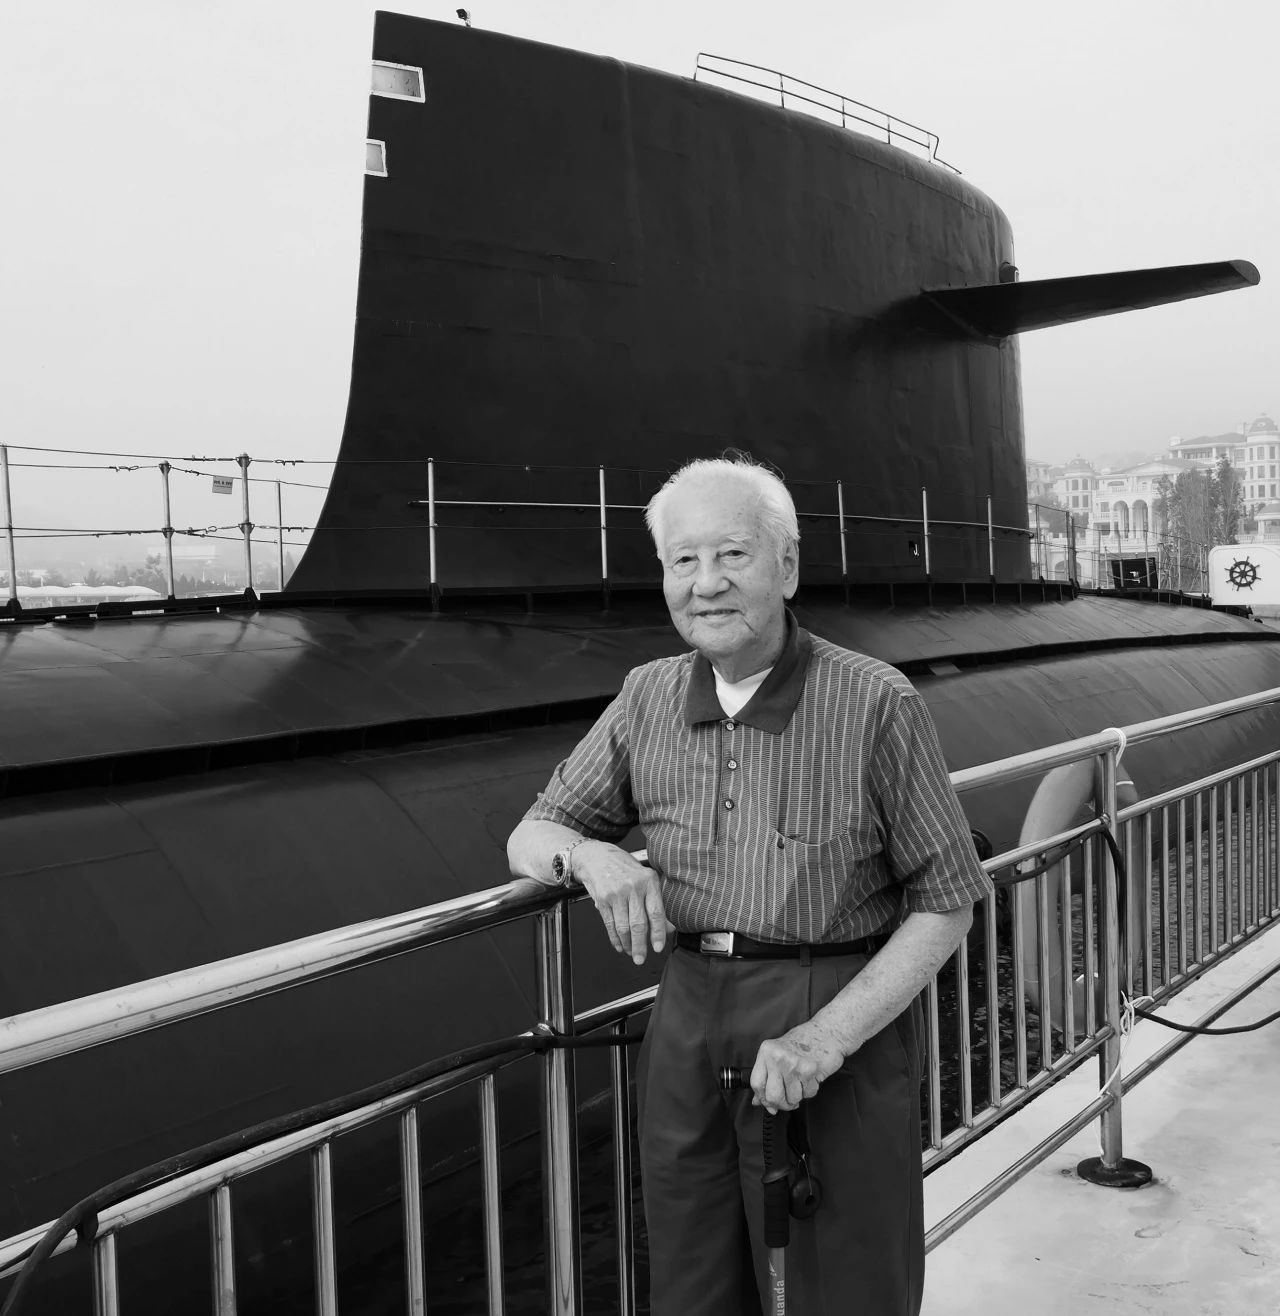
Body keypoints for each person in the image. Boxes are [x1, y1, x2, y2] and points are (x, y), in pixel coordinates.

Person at [507, 455, 993, 1315]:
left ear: (787, 566)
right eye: (683, 560)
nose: (707, 584)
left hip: (828, 1007)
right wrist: (590, 857)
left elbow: (947, 899)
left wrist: (824, 1038)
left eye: (733, 554)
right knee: (691, 1278)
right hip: (687, 1012)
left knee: (845, 1283)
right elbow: (532, 833)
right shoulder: (647, 696)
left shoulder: (873, 701)